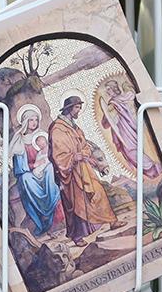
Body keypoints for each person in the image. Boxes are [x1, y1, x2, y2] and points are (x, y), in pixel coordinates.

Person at [50, 95, 117, 245]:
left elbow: (84, 144)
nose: (79, 111)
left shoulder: (75, 127)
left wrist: (84, 153)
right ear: (69, 108)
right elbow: (58, 154)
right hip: (71, 173)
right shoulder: (58, 128)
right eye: (77, 107)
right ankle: (77, 237)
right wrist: (74, 157)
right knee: (78, 203)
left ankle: (112, 221)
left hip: (84, 167)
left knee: (98, 191)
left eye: (80, 107)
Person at [9, 106, 62, 236]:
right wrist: (34, 165)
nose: (34, 123)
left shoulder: (41, 136)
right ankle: (42, 217)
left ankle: (51, 200)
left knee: (50, 169)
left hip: (45, 169)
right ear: (25, 121)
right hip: (29, 172)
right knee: (26, 179)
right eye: (31, 120)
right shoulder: (19, 140)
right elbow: (20, 167)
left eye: (36, 120)